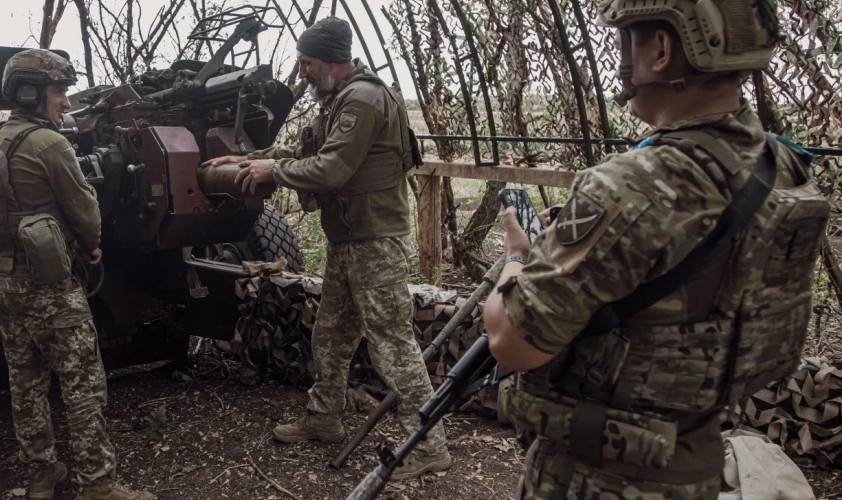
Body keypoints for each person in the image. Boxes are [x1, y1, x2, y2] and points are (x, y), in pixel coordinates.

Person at [481, 1, 830, 499]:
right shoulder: (781, 165)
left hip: (598, 478)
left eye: (627, 40)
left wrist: (517, 257)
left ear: (662, 49)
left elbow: (511, 343)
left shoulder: (634, 184)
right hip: (697, 463)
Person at [202, 16, 451, 480]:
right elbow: (303, 152)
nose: (302, 74)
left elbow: (332, 168)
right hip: (348, 240)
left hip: (374, 242)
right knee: (331, 334)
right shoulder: (336, 99)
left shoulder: (362, 98)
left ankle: (429, 443)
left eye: (307, 64)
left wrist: (270, 174)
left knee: (393, 346)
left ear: (333, 61)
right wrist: (251, 159)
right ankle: (324, 417)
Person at [0, 48, 154, 500]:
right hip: (46, 285)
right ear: (31, 92)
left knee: (26, 380)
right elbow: (86, 211)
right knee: (82, 381)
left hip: (2, 279)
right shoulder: (49, 144)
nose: (66, 102)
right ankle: (98, 484)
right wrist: (92, 247)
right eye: (58, 91)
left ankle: (41, 474)